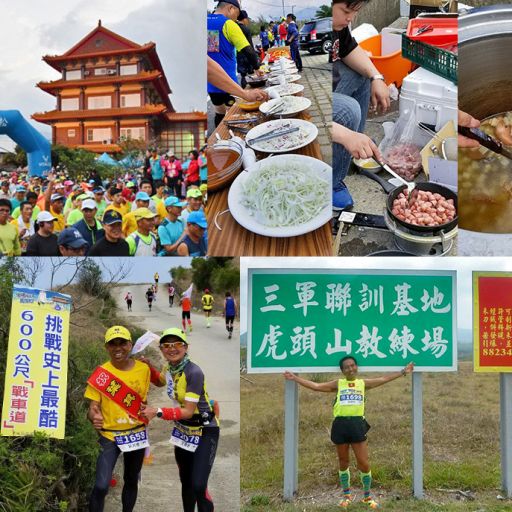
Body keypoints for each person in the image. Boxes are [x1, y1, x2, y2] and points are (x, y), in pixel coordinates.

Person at [284, 357, 414, 509]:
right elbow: (316, 386)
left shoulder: (362, 383)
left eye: (353, 365)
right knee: (343, 462)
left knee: (363, 463)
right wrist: (295, 378)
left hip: (357, 425)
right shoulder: (338, 384)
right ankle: (347, 495)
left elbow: (384, 379)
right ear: (342, 370)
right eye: (347, 367)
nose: (350, 369)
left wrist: (403, 372)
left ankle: (367, 497)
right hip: (340, 425)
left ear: (356, 367)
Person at [140, 328, 220, 512]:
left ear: (185, 347)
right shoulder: (169, 367)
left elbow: (188, 411)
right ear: (161, 349)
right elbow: (161, 381)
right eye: (166, 345)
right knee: (186, 481)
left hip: (205, 430)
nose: (171, 348)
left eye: (177, 344)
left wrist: (158, 411)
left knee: (199, 485)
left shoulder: (194, 372)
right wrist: (149, 367)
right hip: (183, 431)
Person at [85, 325, 152, 512]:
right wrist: (94, 417)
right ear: (106, 347)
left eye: (122, 343)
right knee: (101, 485)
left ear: (130, 345)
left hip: (135, 435)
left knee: (131, 481)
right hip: (109, 436)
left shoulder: (143, 369)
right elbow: (92, 408)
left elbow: (150, 393)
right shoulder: (101, 374)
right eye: (112, 344)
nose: (118, 348)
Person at [331, 0, 390, 211]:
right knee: (348, 110)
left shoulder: (340, 27)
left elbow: (350, 49)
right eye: (346, 11)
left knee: (363, 74)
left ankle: (353, 148)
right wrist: (346, 136)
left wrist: (376, 77)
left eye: (355, 12)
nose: (350, 18)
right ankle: (332, 182)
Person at [207, 0, 261, 126]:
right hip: (229, 81)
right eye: (236, 14)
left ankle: (219, 141)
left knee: (219, 112)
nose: (236, 18)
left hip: (210, 81)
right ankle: (231, 141)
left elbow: (211, 49)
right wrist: (257, 67)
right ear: (231, 8)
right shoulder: (228, 24)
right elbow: (248, 50)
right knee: (234, 113)